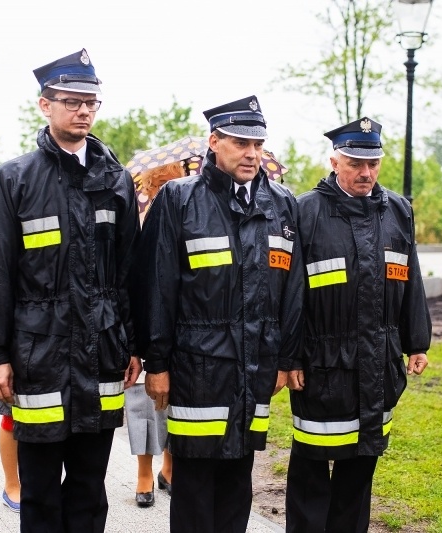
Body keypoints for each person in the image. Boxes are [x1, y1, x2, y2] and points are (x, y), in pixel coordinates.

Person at [0, 48, 141, 533]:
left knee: (91, 488)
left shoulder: (116, 181)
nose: (83, 111)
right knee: (42, 490)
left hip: (102, 356)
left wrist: (135, 344)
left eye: (91, 102)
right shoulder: (14, 180)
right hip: (37, 357)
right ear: (44, 105)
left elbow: (130, 271)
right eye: (71, 101)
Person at [135, 96, 304, 533]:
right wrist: (157, 364)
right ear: (214, 142)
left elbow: (293, 292)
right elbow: (157, 287)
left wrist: (286, 359)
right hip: (197, 368)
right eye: (240, 143)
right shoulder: (178, 198)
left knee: (237, 480)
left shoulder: (282, 205)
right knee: (193, 485)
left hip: (255, 367)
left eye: (258, 144)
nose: (251, 153)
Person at [285, 117, 431, 533]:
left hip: (379, 360)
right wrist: (289, 356)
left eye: (373, 163)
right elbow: (291, 292)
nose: (365, 173)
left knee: (361, 464)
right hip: (322, 362)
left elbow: (411, 276)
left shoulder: (398, 211)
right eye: (354, 163)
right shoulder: (306, 211)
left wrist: (416, 341)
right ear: (334, 161)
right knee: (312, 463)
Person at [128, 162, 183, 508]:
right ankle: (144, 473)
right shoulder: (136, 218)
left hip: (180, 326)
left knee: (176, 403)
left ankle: (170, 467)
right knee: (142, 405)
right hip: (143, 322)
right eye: (162, 187)